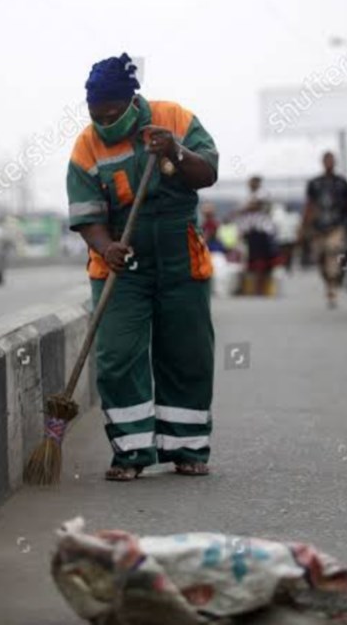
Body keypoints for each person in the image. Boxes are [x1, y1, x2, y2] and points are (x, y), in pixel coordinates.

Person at [66, 53, 219, 481]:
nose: (105, 121)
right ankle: (130, 451)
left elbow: (207, 173)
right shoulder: (87, 146)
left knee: (186, 351)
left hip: (179, 254)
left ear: (132, 102)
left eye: (112, 113)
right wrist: (106, 245)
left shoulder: (175, 117)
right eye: (97, 114)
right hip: (121, 259)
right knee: (117, 355)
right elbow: (86, 214)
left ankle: (187, 447)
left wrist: (175, 149)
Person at [301, 151, 347, 308]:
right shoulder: (314, 183)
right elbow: (309, 206)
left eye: (331, 161)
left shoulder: (342, 183)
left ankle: (332, 290)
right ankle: (329, 282)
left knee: (333, 252)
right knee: (319, 257)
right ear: (322, 162)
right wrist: (304, 226)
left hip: (336, 225)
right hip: (318, 228)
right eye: (326, 161)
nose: (329, 163)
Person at [236, 191, 278, 295]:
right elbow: (242, 230)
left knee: (263, 268)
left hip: (262, 243)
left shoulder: (265, 216)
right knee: (252, 268)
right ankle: (251, 288)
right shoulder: (246, 217)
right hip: (251, 243)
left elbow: (270, 229)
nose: (253, 205)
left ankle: (261, 288)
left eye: (255, 204)